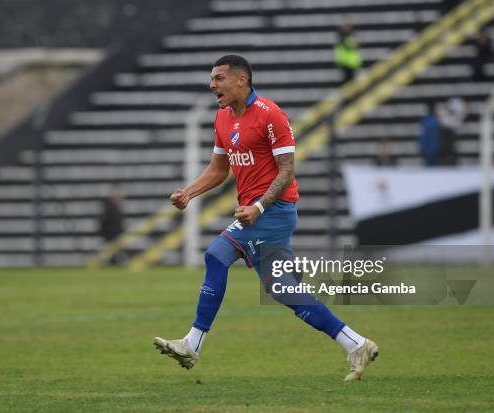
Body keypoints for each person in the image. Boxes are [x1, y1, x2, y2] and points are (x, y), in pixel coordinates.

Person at [153, 55, 378, 381]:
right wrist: (189, 193)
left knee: (216, 255)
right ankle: (355, 344)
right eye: (212, 78)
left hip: (273, 212)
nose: (212, 85)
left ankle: (193, 343)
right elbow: (219, 169)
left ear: (241, 80)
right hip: (255, 214)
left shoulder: (270, 115)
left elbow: (287, 172)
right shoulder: (222, 119)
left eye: (219, 78)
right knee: (283, 290)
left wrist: (258, 206)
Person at [437, 97, 467, 166]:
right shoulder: (447, 107)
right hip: (445, 129)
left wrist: (453, 112)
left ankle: (451, 161)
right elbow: (441, 114)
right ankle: (445, 161)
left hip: (453, 129)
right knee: (446, 147)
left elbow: (461, 113)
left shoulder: (457, 105)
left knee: (452, 147)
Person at [99, 189, 125, 264]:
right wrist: (105, 233)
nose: (120, 200)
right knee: (111, 253)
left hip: (116, 235)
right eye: (118, 197)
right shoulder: (109, 208)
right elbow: (103, 222)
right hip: (110, 235)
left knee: (115, 253)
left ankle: (114, 264)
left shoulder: (116, 208)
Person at [418, 102, 441, 167]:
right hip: (433, 147)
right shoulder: (436, 121)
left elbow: (420, 135)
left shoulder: (424, 121)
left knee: (429, 167)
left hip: (428, 148)